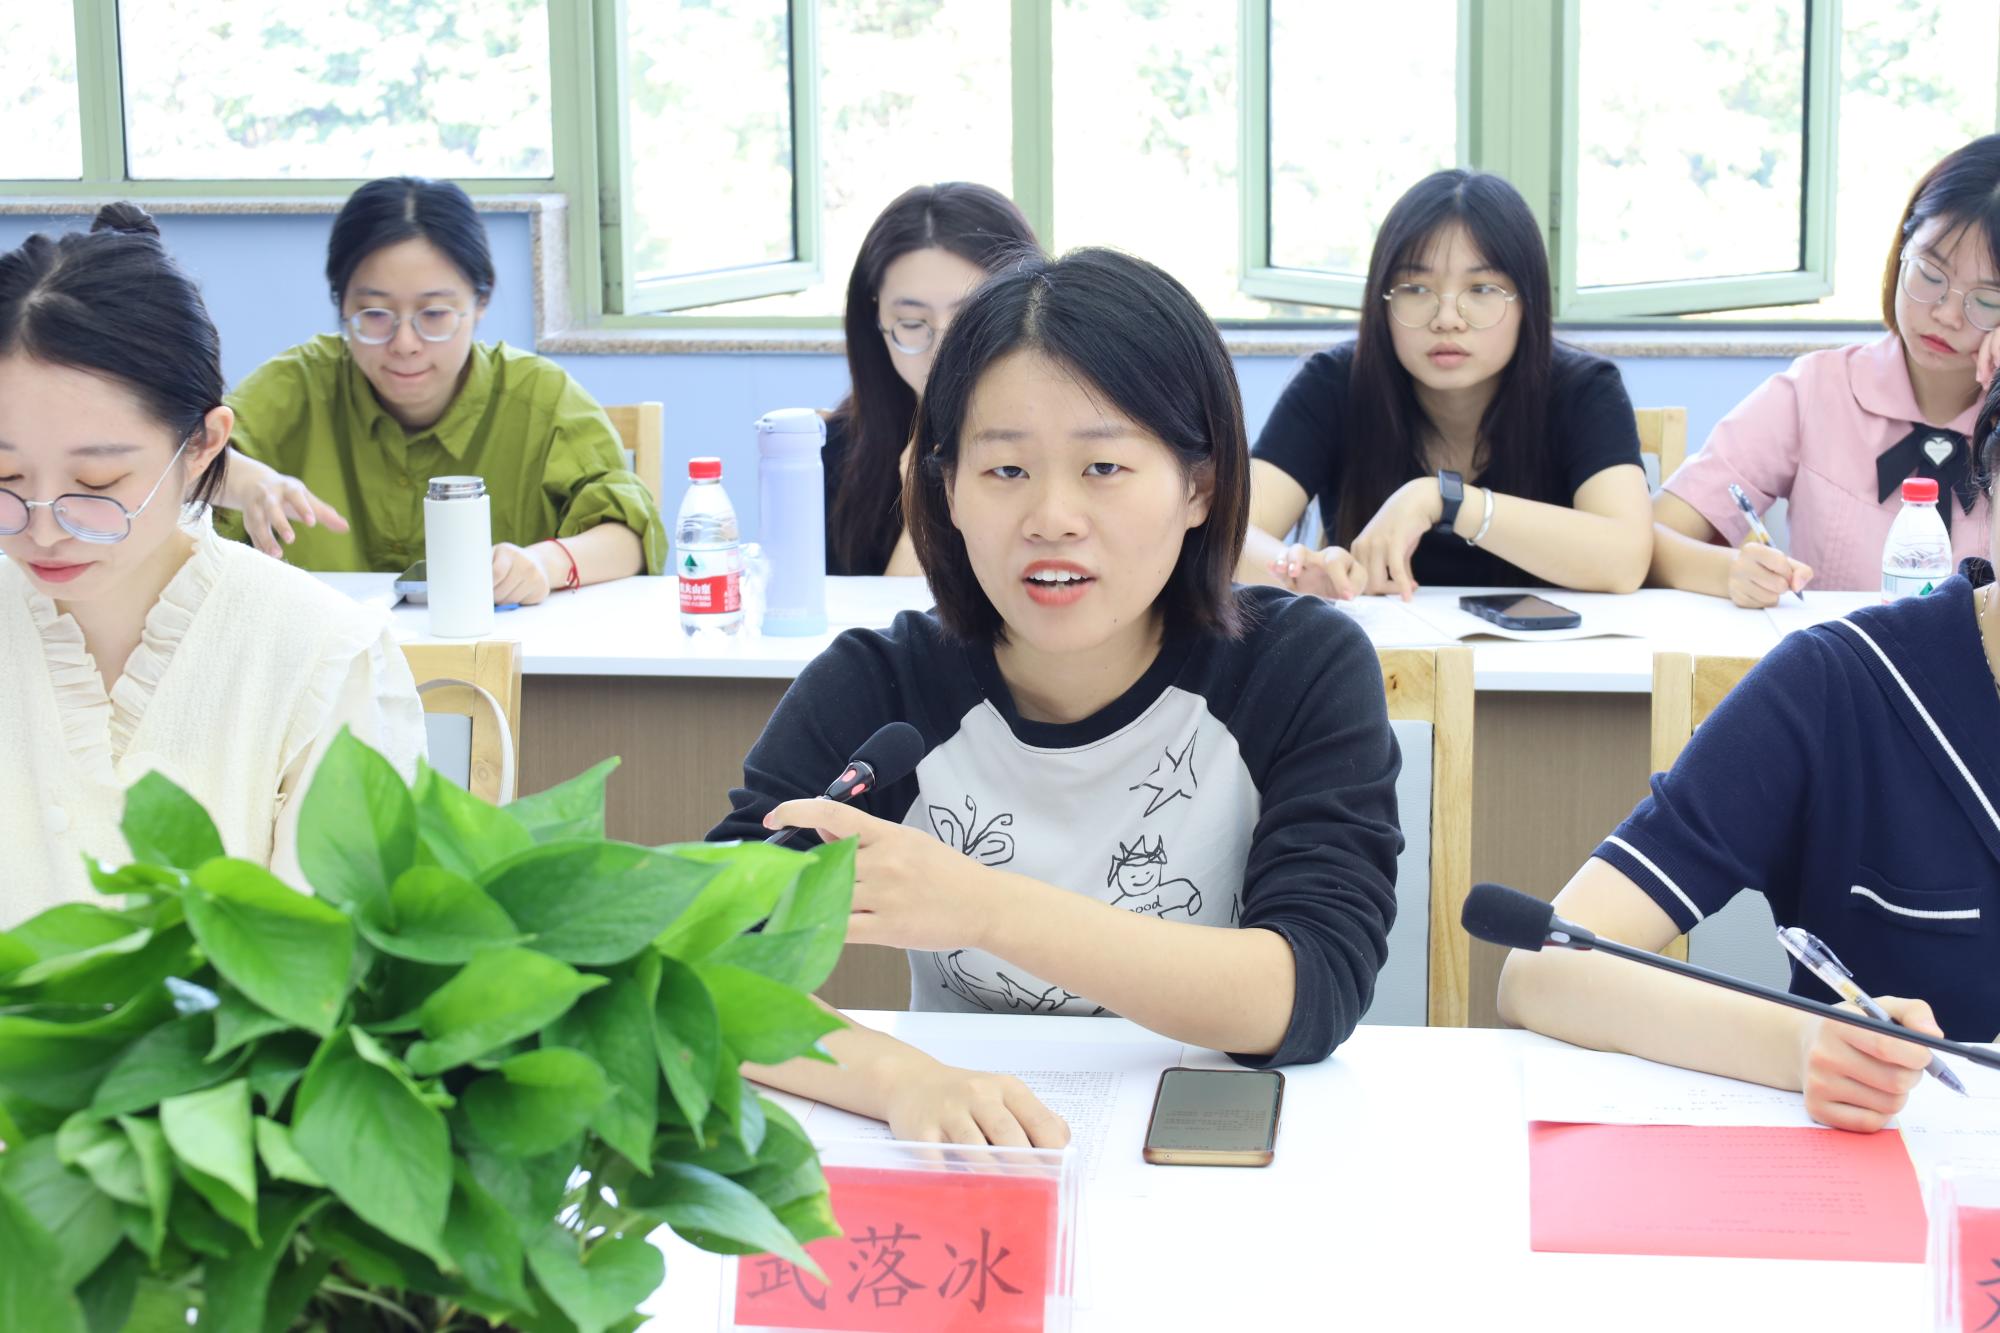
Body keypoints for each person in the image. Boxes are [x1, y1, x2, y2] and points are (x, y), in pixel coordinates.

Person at [711, 247, 1403, 1146]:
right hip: (968, 1153)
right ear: (948, 492)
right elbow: (702, 960)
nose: (1051, 518)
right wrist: (897, 1080)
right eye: (1005, 471)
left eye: (1103, 467)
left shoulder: (1298, 666)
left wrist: (983, 906)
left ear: (1199, 486)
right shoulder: (879, 685)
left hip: (1215, 1142)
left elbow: (1309, 991)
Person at [1497, 386, 2000, 1132]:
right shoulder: (1843, 682)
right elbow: (1543, 970)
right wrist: (1798, 1041)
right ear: (1988, 474)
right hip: (1899, 1177)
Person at [0, 205, 426, 924]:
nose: (42, 528)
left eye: (96, 485)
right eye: (6, 477)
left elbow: (334, 960)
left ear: (202, 445)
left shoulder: (321, 654)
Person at [214, 176, 664, 603]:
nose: (405, 344)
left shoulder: (540, 397)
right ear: (341, 303)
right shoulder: (297, 387)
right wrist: (244, 479)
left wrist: (545, 564)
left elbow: (629, 535)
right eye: (374, 314)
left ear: (480, 301)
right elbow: (187, 459)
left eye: (434, 315)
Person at [1239, 169, 1652, 599]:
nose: (1447, 318)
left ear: (1527, 303)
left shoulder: (1585, 390)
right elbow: (1226, 536)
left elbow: (1625, 560)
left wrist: (1445, 499)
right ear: (1382, 301)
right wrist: (1296, 572)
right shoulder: (1332, 383)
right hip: (1374, 642)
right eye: (1416, 289)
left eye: (1482, 288)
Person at [1650, 135, 2000, 605]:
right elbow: (1650, 536)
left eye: (1986, 300)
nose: (1946, 314)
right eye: (1930, 275)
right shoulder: (1818, 390)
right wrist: (1728, 571)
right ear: (1902, 249)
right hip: (1836, 654)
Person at [824, 182, 1040, 576]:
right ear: (875, 321)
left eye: (969, 319)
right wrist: (919, 507)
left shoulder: (1070, 442)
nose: (942, 350)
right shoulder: (835, 453)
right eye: (911, 323)